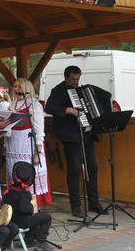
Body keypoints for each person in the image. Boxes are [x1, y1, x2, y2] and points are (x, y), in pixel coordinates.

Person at [44, 65, 104, 218]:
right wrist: (67, 110)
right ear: (66, 78)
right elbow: (49, 107)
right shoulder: (58, 90)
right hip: (70, 136)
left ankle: (94, 203)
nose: (75, 82)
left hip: (86, 134)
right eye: (72, 79)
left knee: (92, 167)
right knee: (75, 169)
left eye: (77, 79)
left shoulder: (83, 91)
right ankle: (75, 206)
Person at [7, 78, 52, 207]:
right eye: (15, 86)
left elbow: (39, 130)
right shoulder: (11, 105)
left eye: (19, 87)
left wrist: (37, 152)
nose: (16, 89)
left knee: (28, 175)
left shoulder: (34, 104)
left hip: (28, 145)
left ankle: (32, 208)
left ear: (26, 88)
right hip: (14, 145)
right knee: (15, 174)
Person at [3, 162, 53, 251]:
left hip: (12, 221)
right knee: (46, 217)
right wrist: (32, 205)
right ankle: (41, 241)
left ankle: (29, 240)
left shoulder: (9, 191)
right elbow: (23, 209)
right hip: (22, 222)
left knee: (36, 218)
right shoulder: (24, 193)